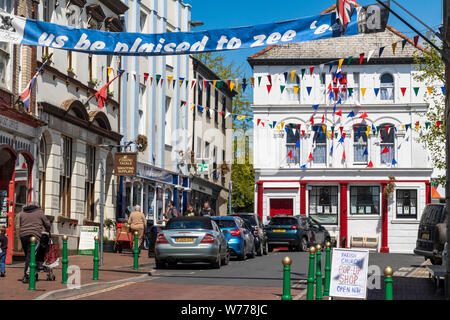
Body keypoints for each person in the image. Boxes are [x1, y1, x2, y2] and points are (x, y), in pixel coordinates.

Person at [19, 201, 51, 283]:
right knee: (31, 256)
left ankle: (29, 273)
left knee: (27, 256)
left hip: (23, 236)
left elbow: (20, 224)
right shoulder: (39, 212)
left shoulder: (22, 212)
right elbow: (47, 224)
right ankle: (27, 275)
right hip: (34, 236)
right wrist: (48, 229)